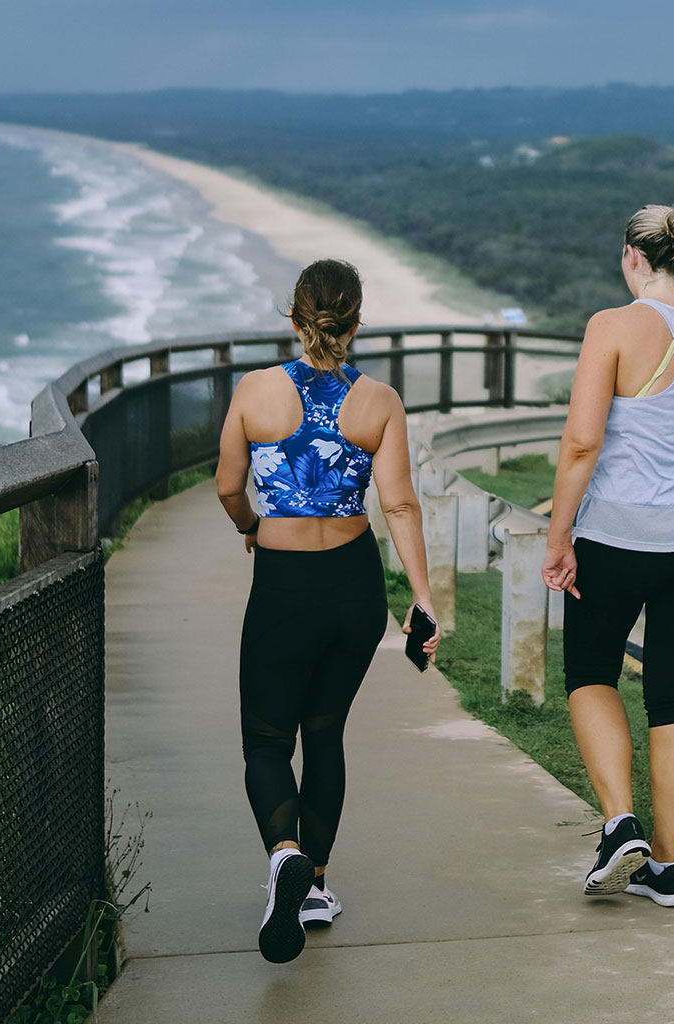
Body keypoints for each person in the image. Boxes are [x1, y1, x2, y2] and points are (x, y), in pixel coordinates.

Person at [216, 258, 441, 963]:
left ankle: (284, 853)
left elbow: (226, 485)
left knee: (264, 741)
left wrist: (252, 525)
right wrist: (423, 599)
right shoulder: (379, 401)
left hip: (284, 585)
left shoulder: (255, 392)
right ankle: (312, 882)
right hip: (353, 587)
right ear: (356, 322)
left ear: (295, 318)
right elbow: (399, 503)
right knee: (326, 732)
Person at [541, 205, 674, 908]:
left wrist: (558, 535)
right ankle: (668, 868)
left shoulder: (611, 326)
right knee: (671, 692)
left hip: (615, 539)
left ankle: (619, 825)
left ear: (632, 257)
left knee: (590, 673)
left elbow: (580, 445)